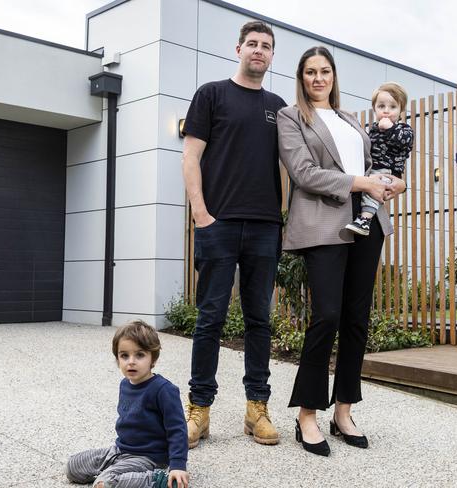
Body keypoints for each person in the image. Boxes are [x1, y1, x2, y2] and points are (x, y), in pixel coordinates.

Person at [277, 47, 407, 456]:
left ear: (334, 76)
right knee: (327, 316)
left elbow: (377, 165)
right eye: (311, 72)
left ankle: (344, 411)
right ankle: (307, 414)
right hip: (323, 223)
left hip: (368, 225)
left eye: (325, 71)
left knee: (356, 320)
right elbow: (304, 173)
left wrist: (392, 182)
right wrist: (362, 184)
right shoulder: (291, 117)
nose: (319, 78)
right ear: (302, 77)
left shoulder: (352, 119)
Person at [181, 21, 287, 448]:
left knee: (259, 320)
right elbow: (191, 157)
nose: (259, 51)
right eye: (253, 44)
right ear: (238, 48)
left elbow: (296, 164)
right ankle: (199, 411)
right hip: (218, 224)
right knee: (210, 319)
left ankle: (256, 409)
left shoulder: (278, 107)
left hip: (264, 226)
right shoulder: (211, 94)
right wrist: (201, 214)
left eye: (266, 46)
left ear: (271, 55)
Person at [65, 321, 189, 488]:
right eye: (124, 355)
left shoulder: (163, 390)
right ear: (117, 359)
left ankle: (157, 481)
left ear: (153, 358)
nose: (131, 361)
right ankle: (122, 474)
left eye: (139, 355)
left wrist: (178, 465)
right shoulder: (125, 384)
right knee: (72, 467)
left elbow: (178, 430)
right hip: (119, 451)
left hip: (149, 457)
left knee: (104, 483)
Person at [346, 82, 414, 236]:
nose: (386, 111)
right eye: (381, 106)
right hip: (373, 169)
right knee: (368, 188)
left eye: (392, 107)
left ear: (401, 109)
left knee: (372, 193)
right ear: (374, 108)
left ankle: (364, 220)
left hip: (388, 170)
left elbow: (404, 141)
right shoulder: (374, 129)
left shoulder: (404, 129)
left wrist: (390, 128)